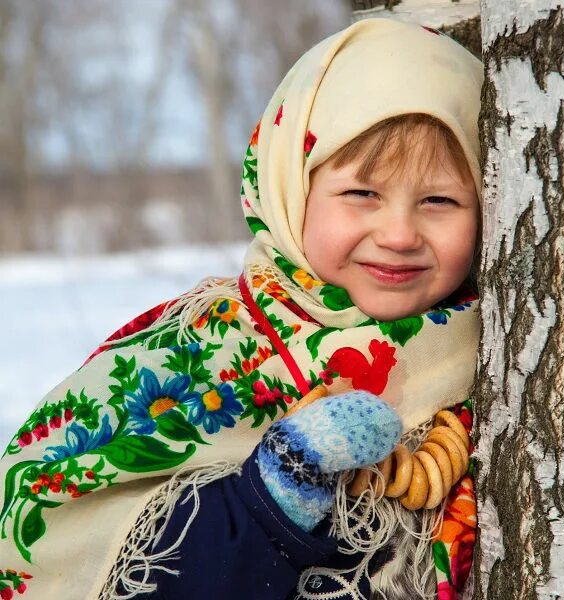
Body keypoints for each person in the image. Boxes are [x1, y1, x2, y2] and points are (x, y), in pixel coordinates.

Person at [0, 18, 482, 600]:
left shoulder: (498, 356)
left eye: (440, 200)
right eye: (362, 194)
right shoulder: (201, 349)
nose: (400, 233)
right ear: (290, 189)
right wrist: (270, 499)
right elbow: (62, 538)